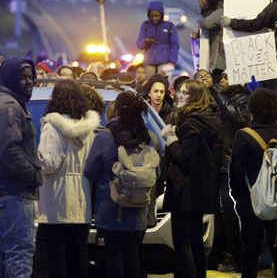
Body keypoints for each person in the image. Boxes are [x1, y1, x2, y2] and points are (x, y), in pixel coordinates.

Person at [0, 57, 43, 278]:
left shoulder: (1, 100)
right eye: (22, 77)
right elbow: (8, 149)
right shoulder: (8, 106)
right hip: (12, 194)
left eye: (31, 77)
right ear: (9, 78)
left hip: (1, 194)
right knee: (19, 254)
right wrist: (33, 175)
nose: (29, 82)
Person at [84, 91, 159, 278]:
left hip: (110, 211)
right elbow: (156, 173)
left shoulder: (104, 139)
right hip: (139, 211)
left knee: (113, 258)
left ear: (117, 110)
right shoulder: (146, 138)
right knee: (133, 257)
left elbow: (90, 172)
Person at [35, 80, 100, 278]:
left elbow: (49, 163)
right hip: (81, 196)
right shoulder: (89, 129)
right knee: (78, 249)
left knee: (56, 251)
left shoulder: (52, 127)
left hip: (56, 196)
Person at [160, 80, 222, 278]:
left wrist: (171, 139)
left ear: (195, 97)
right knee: (196, 242)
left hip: (185, 191)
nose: (179, 95)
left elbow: (185, 158)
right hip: (199, 189)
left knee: (183, 243)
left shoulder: (190, 122)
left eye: (185, 93)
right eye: (179, 91)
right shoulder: (209, 120)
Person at [229, 88, 277, 278]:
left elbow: (236, 172)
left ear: (252, 109)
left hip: (251, 202)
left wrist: (240, 200)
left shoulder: (243, 135)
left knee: (250, 250)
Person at [210, 71, 250, 272]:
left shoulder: (244, 98)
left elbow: (241, 117)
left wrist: (219, 95)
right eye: (221, 77)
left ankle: (238, 259)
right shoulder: (222, 97)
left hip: (232, 165)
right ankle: (219, 254)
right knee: (222, 215)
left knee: (232, 216)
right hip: (220, 163)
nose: (221, 80)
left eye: (226, 77)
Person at [136, 1, 180, 78]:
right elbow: (139, 44)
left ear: (162, 15)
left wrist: (172, 61)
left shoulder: (170, 26)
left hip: (165, 62)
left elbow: (175, 45)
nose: (154, 18)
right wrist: (146, 41)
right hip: (149, 62)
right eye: (152, 16)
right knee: (150, 85)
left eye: (157, 16)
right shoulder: (145, 25)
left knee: (163, 84)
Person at [196, 0, 225, 81]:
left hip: (220, 58)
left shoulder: (220, 12)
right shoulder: (214, 12)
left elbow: (207, 23)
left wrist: (200, 21)